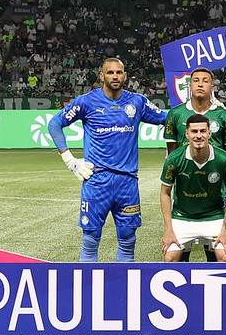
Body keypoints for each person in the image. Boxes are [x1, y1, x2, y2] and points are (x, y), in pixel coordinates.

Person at [48, 58, 167, 262]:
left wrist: (199, 109)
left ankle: (123, 290)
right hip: (96, 181)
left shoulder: (137, 102)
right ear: (102, 76)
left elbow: (168, 118)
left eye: (119, 72)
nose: (115, 76)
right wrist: (70, 160)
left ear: (125, 76)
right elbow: (55, 124)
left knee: (128, 239)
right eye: (110, 73)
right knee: (91, 239)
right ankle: (86, 290)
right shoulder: (86, 101)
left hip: (127, 182)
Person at [160, 114, 226, 262]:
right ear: (187, 134)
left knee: (225, 257)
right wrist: (168, 229)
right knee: (170, 258)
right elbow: (165, 193)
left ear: (209, 133)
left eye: (203, 131)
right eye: (194, 131)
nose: (199, 136)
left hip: (214, 216)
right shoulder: (174, 159)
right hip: (182, 216)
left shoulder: (223, 159)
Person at [165, 67, 226, 156]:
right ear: (190, 86)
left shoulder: (224, 115)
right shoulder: (175, 114)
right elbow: (172, 153)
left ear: (212, 88)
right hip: (184, 169)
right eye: (196, 80)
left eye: (205, 81)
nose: (200, 84)